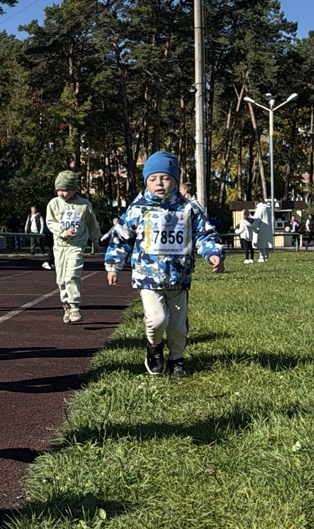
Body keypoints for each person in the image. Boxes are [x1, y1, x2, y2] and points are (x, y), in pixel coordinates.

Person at [105, 151, 224, 378]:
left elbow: (204, 233)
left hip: (179, 277)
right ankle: (154, 346)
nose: (159, 183)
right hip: (147, 277)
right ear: (146, 182)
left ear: (175, 181)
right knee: (157, 319)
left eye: (165, 178)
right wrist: (113, 264)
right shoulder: (138, 208)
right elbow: (121, 237)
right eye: (153, 179)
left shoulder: (188, 208)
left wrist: (212, 253)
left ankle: (177, 360)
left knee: (178, 326)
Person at [45, 170, 101, 324]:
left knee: (72, 275)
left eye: (64, 190)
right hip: (60, 246)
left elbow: (92, 223)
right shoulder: (54, 203)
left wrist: (95, 240)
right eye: (58, 190)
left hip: (76, 245)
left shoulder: (84, 204)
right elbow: (50, 222)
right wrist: (62, 232)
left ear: (73, 189)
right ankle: (66, 305)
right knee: (61, 279)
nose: (61, 193)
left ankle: (75, 306)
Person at [251, 196, 272, 262]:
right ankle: (266, 257)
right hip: (267, 228)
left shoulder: (260, 208)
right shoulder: (267, 208)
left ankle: (262, 257)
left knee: (262, 244)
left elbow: (257, 219)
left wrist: (254, 227)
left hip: (261, 228)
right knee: (266, 244)